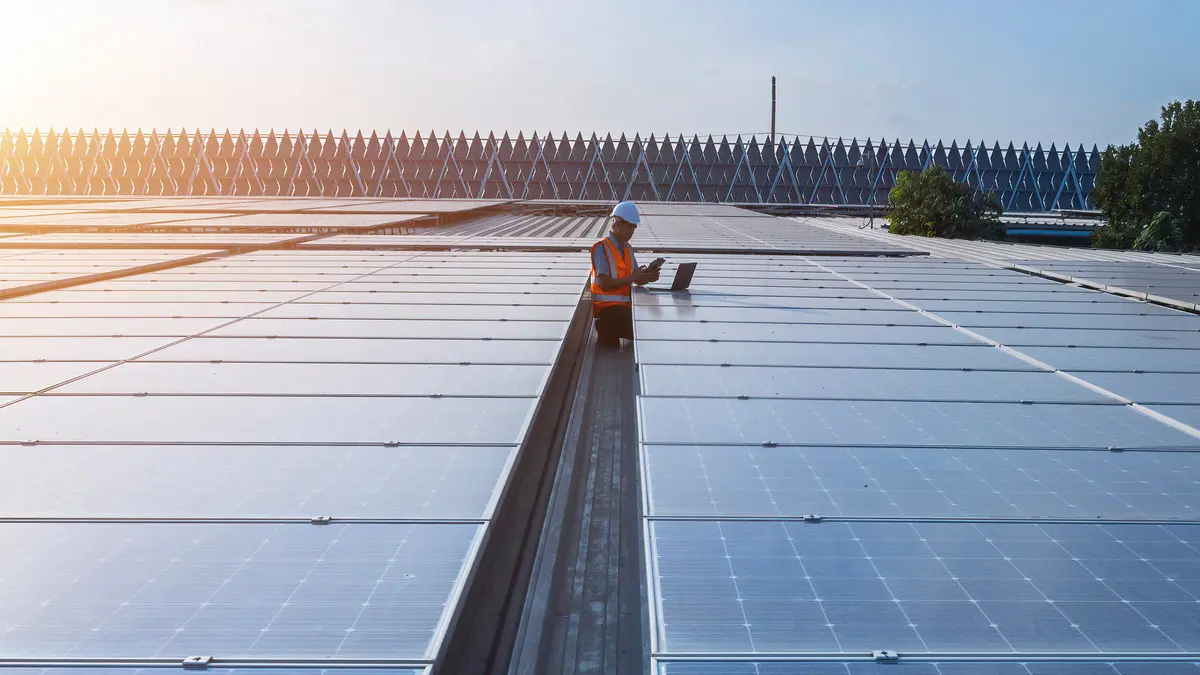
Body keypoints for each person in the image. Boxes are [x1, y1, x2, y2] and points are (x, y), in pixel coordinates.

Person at [590, 201, 660, 347]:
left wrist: (648, 276)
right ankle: (604, 327)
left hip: (625, 308)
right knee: (643, 329)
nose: (632, 230)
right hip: (607, 309)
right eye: (630, 226)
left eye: (634, 227)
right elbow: (604, 284)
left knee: (651, 322)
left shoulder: (627, 248)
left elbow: (635, 277)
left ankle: (609, 330)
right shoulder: (601, 248)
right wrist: (635, 277)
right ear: (617, 224)